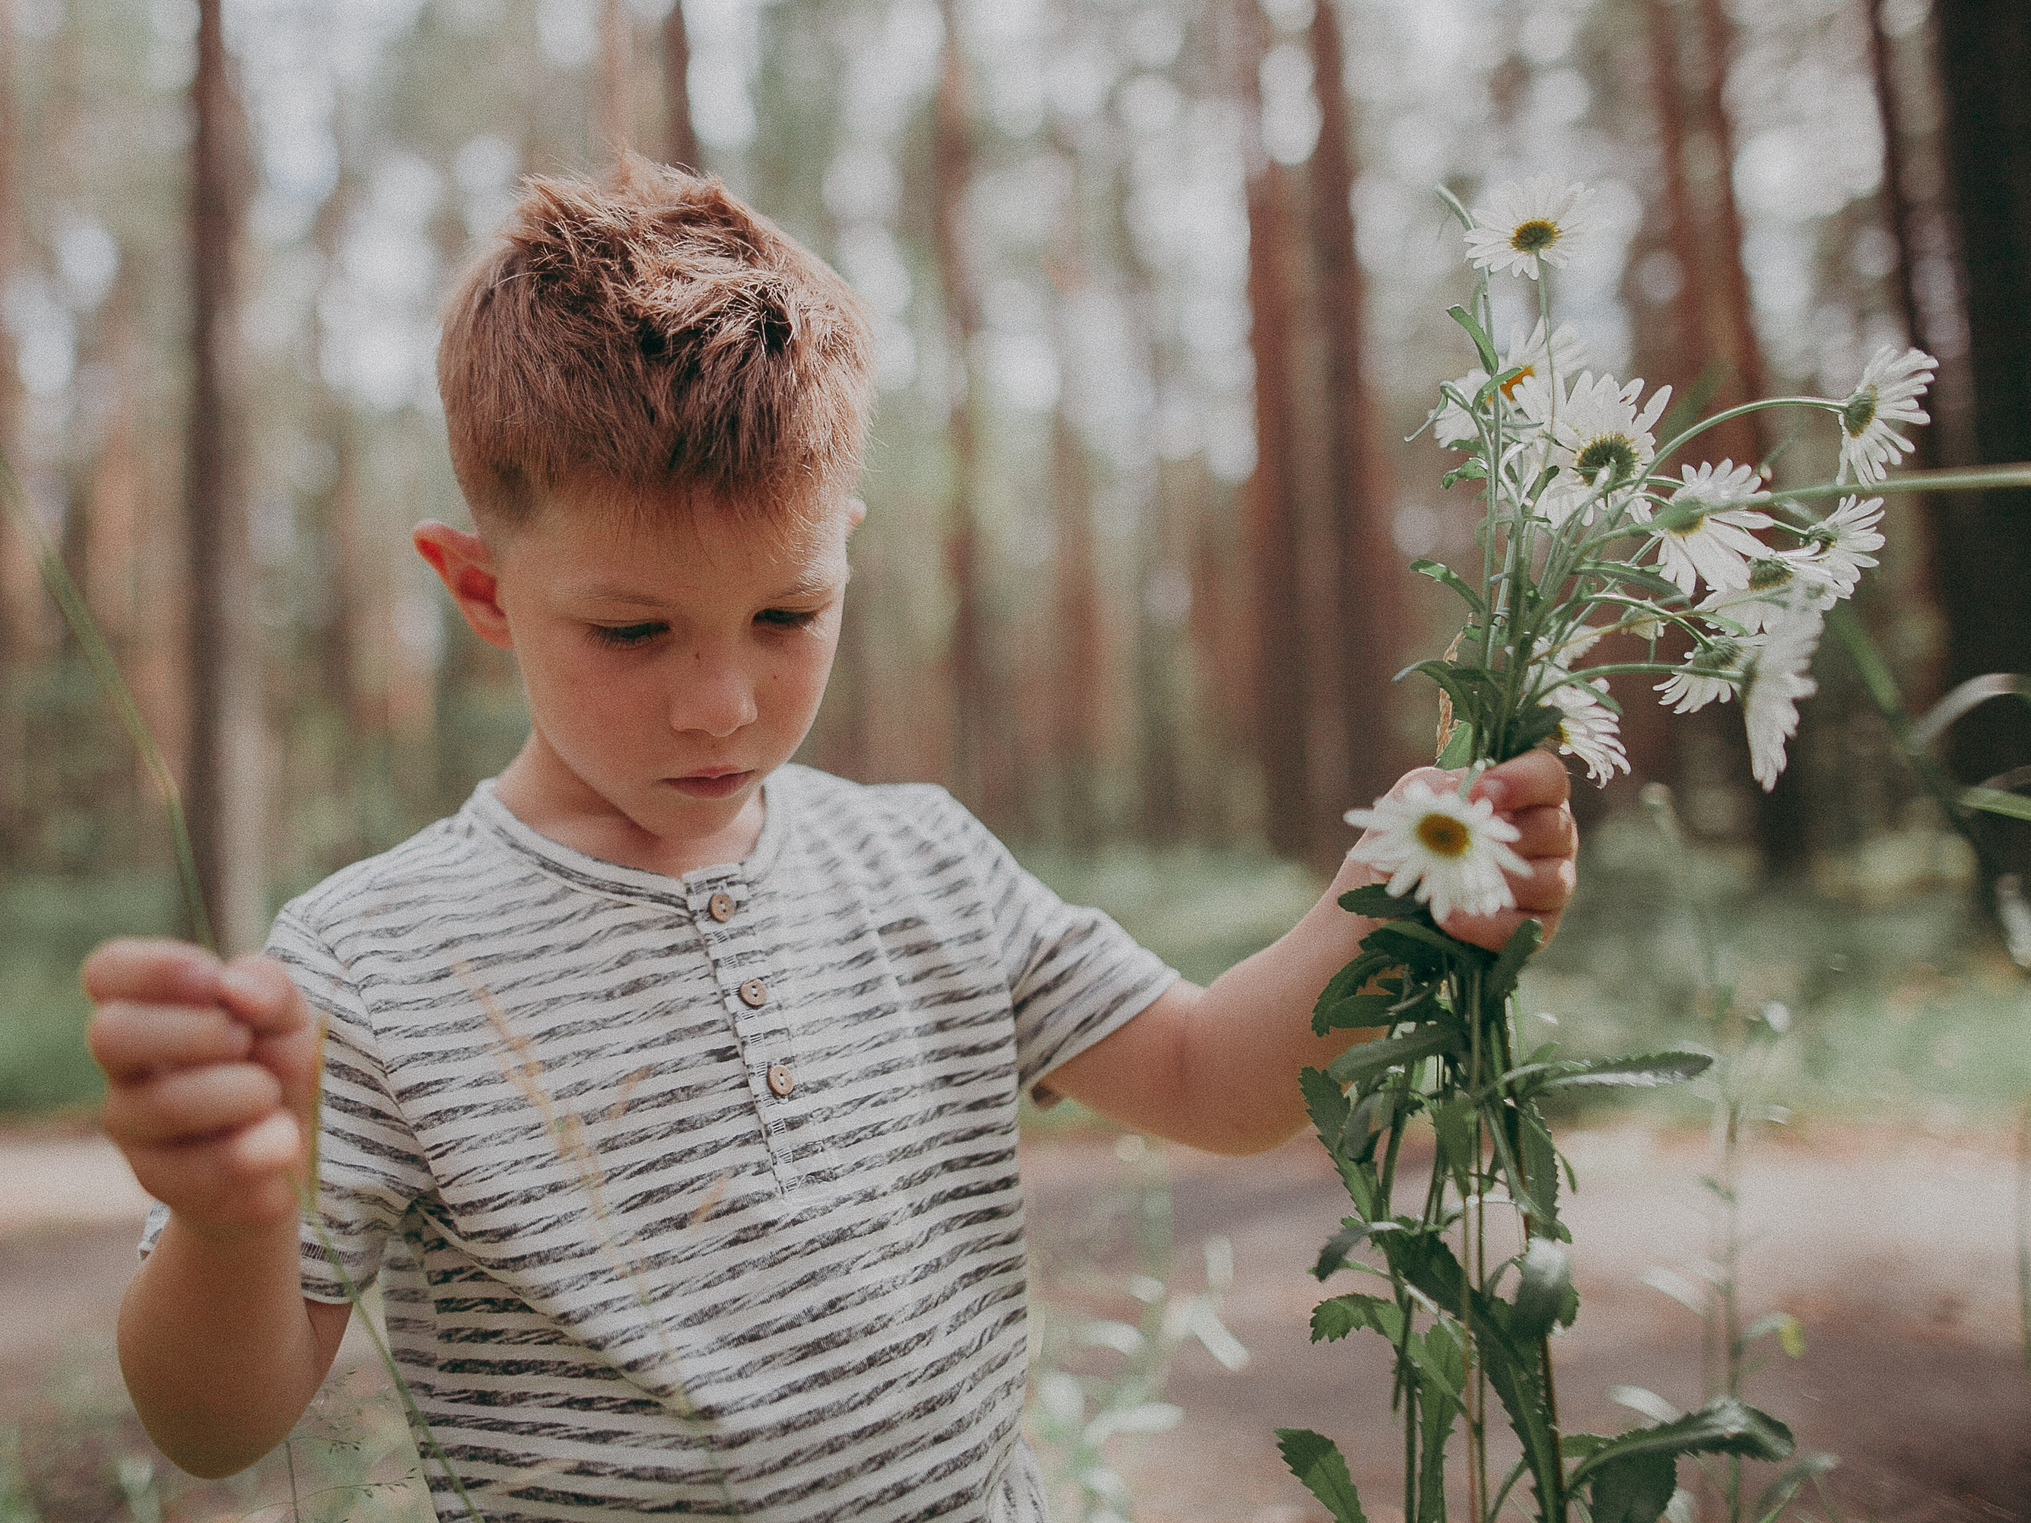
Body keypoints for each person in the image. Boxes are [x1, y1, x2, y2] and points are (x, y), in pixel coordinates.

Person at [81, 160, 1577, 1519]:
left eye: (789, 616)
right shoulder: (374, 962)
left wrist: (1385, 906)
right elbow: (217, 1425)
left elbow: (1209, 1078)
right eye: (633, 629)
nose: (719, 704)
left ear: (846, 547)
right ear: (480, 591)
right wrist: (231, 1225)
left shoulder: (922, 864)